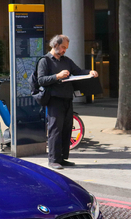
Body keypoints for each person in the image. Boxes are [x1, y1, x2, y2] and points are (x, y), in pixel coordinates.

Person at [37, 34, 98, 170]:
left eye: (66, 48)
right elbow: (41, 80)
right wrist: (57, 76)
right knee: (55, 130)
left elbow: (78, 72)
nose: (65, 50)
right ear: (55, 45)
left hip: (67, 99)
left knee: (66, 129)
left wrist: (90, 72)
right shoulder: (45, 61)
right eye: (63, 47)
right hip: (54, 100)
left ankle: (62, 158)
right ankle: (53, 160)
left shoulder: (66, 61)